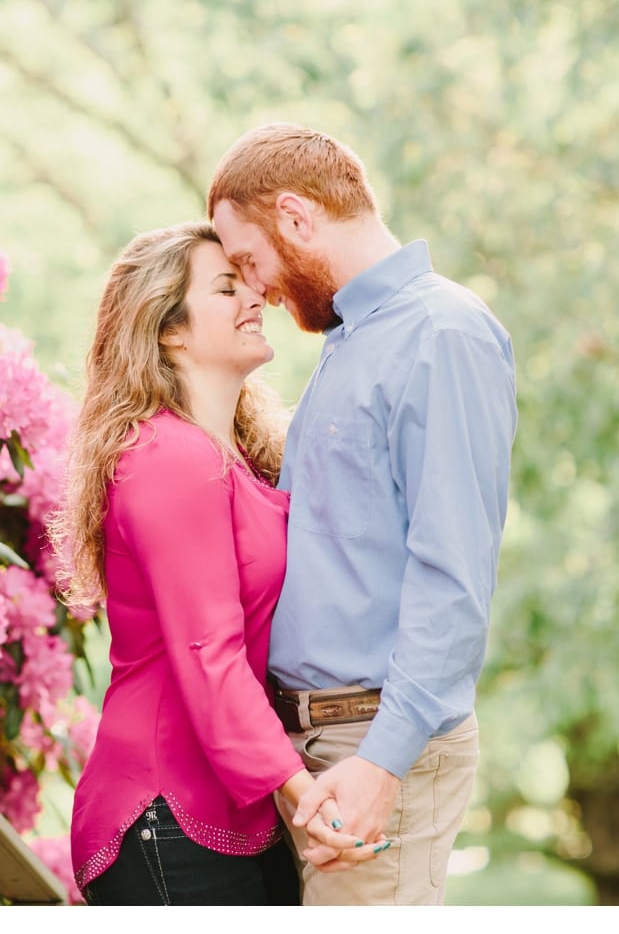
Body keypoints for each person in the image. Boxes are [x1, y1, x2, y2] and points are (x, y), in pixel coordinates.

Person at [207, 123, 518, 906]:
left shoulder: (442, 333)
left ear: (297, 216)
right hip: (321, 743)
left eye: (251, 260)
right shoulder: (354, 341)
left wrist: (383, 759)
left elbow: (453, 574)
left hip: (377, 742)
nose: (259, 290)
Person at [51, 221, 383, 906]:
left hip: (232, 810)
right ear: (168, 329)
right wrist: (305, 795)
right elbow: (209, 652)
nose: (253, 296)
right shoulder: (169, 458)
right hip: (164, 811)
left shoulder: (233, 457)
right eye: (226, 286)